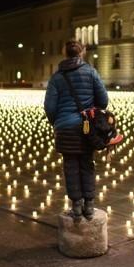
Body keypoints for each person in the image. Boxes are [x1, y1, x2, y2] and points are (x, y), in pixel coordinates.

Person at [44, 40, 108, 221]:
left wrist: (57, 123)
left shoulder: (56, 78)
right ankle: (89, 205)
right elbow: (103, 100)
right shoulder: (91, 72)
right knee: (87, 164)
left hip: (64, 128)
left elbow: (49, 107)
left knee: (70, 166)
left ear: (65, 53)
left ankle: (76, 206)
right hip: (86, 129)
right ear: (82, 52)